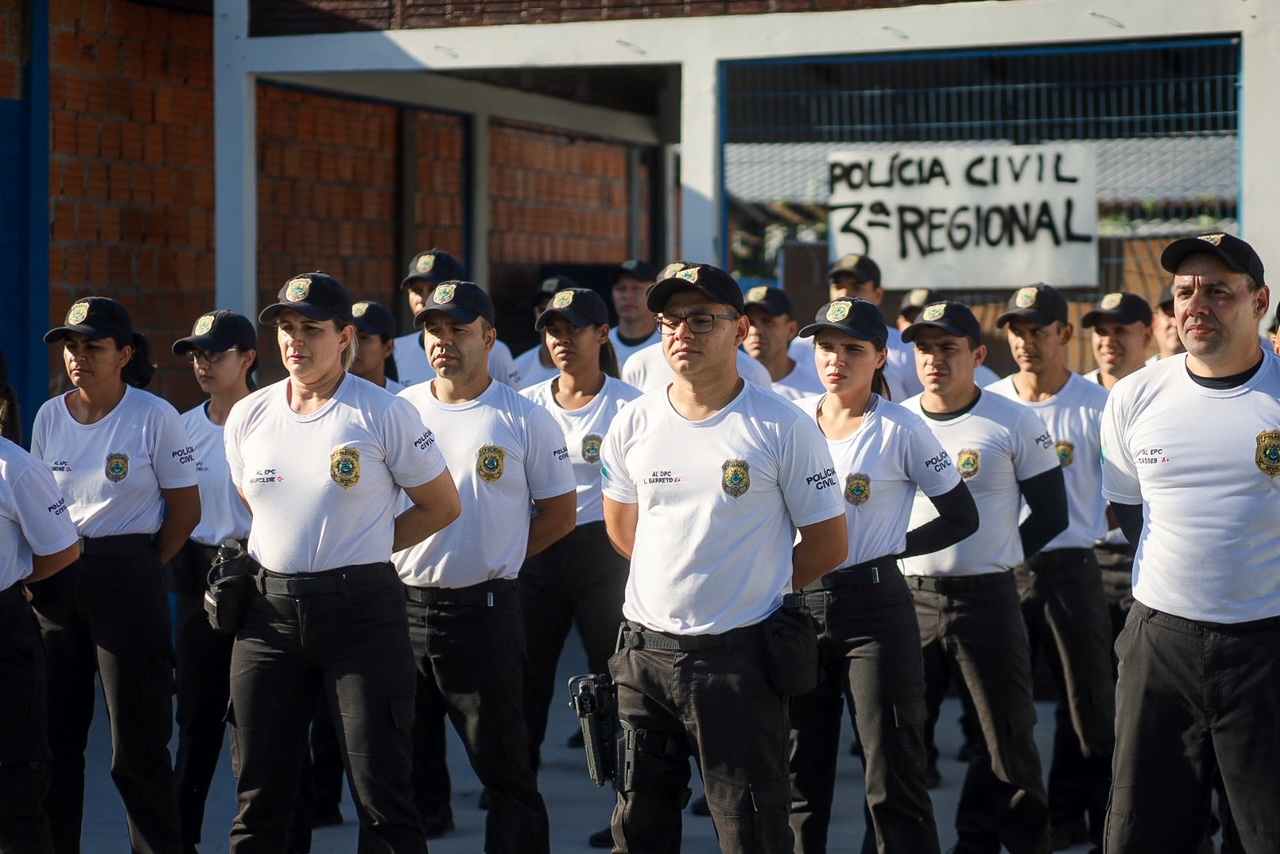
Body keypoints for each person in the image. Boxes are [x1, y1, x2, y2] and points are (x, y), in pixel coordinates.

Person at [599, 261, 848, 852]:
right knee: (639, 828)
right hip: (645, 658)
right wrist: (682, 574)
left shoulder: (782, 425)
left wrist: (749, 583)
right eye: (670, 321)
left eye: (701, 319)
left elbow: (829, 543)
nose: (682, 333)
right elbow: (622, 529)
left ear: (739, 330)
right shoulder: (633, 421)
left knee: (751, 829)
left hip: (739, 659)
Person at [224, 271, 461, 852]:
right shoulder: (248, 415)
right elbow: (256, 506)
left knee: (382, 794)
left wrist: (367, 541)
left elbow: (441, 504)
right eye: (286, 327)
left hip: (361, 616)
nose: (295, 340)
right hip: (268, 619)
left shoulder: (382, 412)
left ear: (345, 337)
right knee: (261, 797)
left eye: (311, 328)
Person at [1100, 232, 1280, 853]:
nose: (1196, 305)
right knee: (1142, 832)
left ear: (1258, 302)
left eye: (1218, 292)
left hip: (1267, 647)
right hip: (1160, 646)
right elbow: (1128, 505)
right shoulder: (1134, 395)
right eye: (1184, 291)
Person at [787, 298, 978, 854]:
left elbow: (962, 515)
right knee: (799, 776)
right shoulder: (789, 421)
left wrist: (891, 549)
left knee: (893, 771)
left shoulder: (902, 427)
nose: (836, 359)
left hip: (874, 610)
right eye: (826, 346)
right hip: (798, 605)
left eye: (853, 348)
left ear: (880, 358)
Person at [394, 280, 576, 853]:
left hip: (484, 612)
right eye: (433, 328)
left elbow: (561, 513)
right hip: (400, 610)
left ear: (490, 338)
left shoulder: (524, 418)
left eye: (459, 328)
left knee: (505, 770)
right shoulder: (397, 411)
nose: (443, 340)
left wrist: (501, 555)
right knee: (397, 771)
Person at [29, 296, 201, 854]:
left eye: (93, 346)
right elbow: (35, 504)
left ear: (125, 354)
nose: (79, 357)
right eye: (71, 346)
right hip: (57, 577)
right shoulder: (49, 416)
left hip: (128, 574)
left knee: (139, 742)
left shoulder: (155, 416)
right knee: (55, 738)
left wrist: (144, 568)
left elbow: (185, 511)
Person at [898, 299, 1067, 854]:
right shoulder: (897, 421)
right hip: (911, 602)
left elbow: (1051, 513)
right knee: (900, 744)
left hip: (988, 600)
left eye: (948, 348)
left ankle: (1016, 843)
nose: (934, 360)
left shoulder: (1012, 419)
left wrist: (1000, 556)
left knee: (1008, 740)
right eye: (924, 349)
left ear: (977, 355)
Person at [988, 285, 1117, 852]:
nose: (1025, 342)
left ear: (1065, 335)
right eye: (1016, 330)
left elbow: (1125, 491)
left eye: (1038, 330)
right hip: (1004, 569)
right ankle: (1019, 828)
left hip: (1073, 567)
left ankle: (1091, 821)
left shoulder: (1097, 407)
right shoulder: (991, 402)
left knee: (1089, 706)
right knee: (1005, 712)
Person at [517, 287, 642, 849]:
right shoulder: (524, 403)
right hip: (538, 549)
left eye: (574, 329)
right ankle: (519, 809)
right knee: (525, 687)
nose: (562, 340)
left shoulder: (631, 405)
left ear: (602, 334)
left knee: (618, 689)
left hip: (603, 554)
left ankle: (625, 813)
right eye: (553, 330)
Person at [168, 310, 259, 854]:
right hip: (201, 573)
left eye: (216, 353)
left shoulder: (271, 416)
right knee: (196, 719)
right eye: (197, 354)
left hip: (260, 573)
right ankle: (180, 837)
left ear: (248, 358)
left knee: (259, 722)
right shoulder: (180, 426)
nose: (203, 363)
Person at [0, 353, 81, 854]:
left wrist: (22, 583)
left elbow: (64, 548)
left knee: (13, 792)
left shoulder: (16, 467)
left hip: (5, 637)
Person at [790, 254, 922, 401]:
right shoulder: (801, 345)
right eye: (826, 347)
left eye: (854, 349)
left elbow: (918, 404)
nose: (845, 294)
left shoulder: (904, 346)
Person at [392, 249, 521, 387]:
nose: (422, 298)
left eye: (433, 289)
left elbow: (514, 400)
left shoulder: (493, 352)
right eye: (416, 290)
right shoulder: (395, 349)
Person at [743, 285, 824, 400]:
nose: (756, 330)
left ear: (791, 330)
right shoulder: (724, 386)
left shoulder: (817, 392)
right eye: (749, 322)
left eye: (767, 321)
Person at [515, 274, 577, 390]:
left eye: (557, 312)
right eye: (543, 310)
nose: (551, 320)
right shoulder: (518, 367)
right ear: (536, 312)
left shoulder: (590, 367)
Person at [1081, 292, 1153, 390]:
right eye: (1101, 331)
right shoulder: (1075, 396)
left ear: (1146, 336)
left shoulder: (1164, 393)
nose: (1108, 342)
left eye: (1119, 331)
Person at [608, 259, 662, 368]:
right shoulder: (601, 344)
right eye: (621, 288)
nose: (628, 296)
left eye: (636, 288)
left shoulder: (668, 341)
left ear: (654, 293)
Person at [350, 299, 404, 393]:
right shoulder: (325, 397)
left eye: (363, 337)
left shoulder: (403, 399)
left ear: (388, 347)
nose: (353, 345)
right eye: (348, 337)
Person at [1148, 288, 1185, 362]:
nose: (1175, 323)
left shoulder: (1210, 372)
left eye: (1181, 315)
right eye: (1168, 315)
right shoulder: (1143, 372)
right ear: (1154, 323)